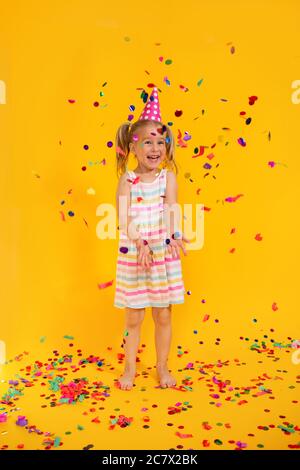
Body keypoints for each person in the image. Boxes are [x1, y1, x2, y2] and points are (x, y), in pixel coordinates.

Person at [113, 87, 190, 390]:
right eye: (148, 142)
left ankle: (163, 367)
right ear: (133, 147)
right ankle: (129, 368)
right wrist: (140, 241)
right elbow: (123, 218)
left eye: (161, 142)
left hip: (162, 255)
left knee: (163, 315)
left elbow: (171, 207)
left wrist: (174, 235)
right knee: (133, 318)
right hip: (135, 255)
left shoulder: (167, 177)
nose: (156, 148)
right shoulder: (127, 180)